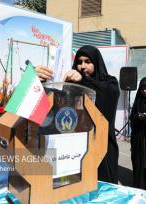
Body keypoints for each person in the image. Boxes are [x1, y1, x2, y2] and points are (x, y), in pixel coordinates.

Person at [36, 45, 120, 184]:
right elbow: (48, 107)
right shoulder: (70, 85)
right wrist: (38, 80)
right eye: (79, 62)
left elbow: (106, 94)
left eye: (88, 61)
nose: (82, 66)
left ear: (97, 63)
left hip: (102, 150)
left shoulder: (109, 82)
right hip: (74, 150)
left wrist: (83, 81)